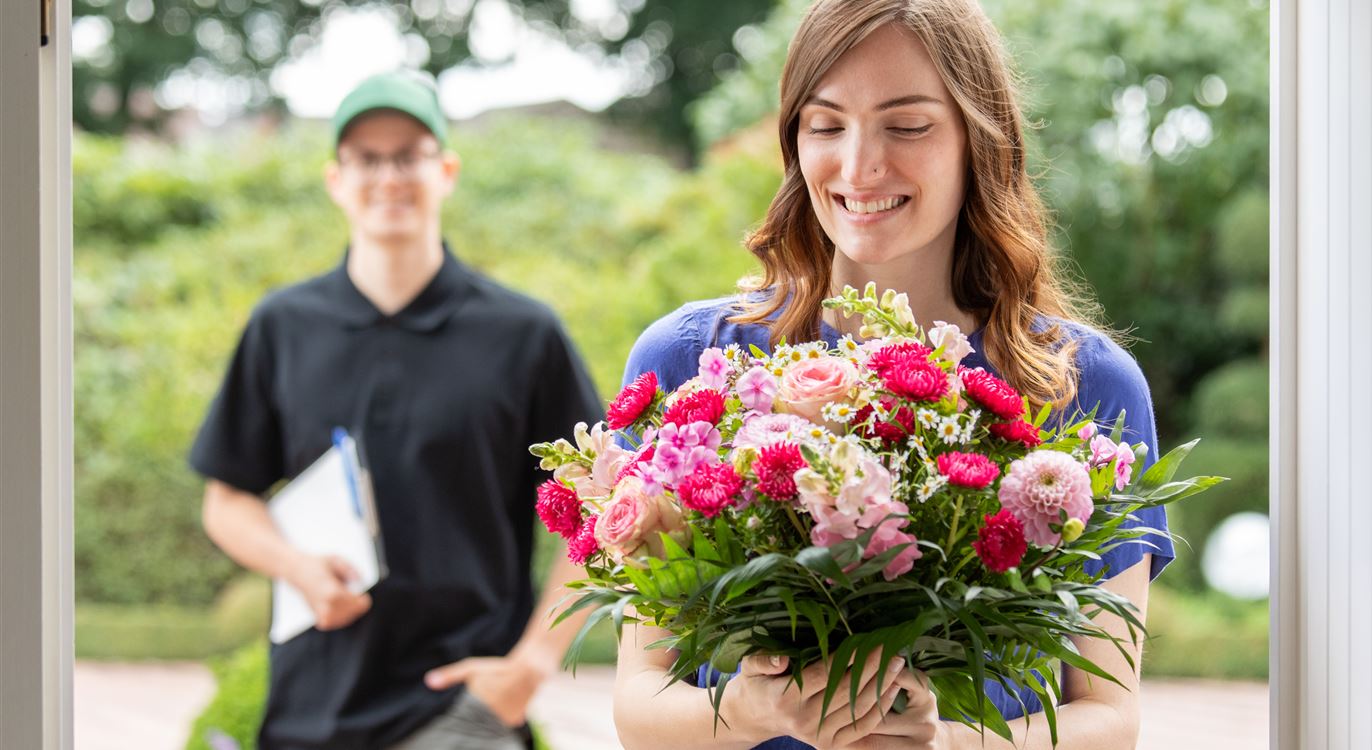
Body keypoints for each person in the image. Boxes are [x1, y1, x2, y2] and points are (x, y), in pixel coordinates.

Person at [611, 1, 1174, 748]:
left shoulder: (1084, 385)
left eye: (907, 125)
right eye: (825, 124)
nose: (859, 166)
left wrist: (944, 744)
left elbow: (1110, 713)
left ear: (981, 139)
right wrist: (757, 714)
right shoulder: (688, 363)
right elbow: (639, 703)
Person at [189, 71, 603, 750]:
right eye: (368, 159)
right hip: (309, 711)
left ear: (445, 170)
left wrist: (532, 664)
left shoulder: (522, 335)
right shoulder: (283, 326)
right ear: (335, 180)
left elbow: (600, 512)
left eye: (408, 156)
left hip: (463, 712)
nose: (389, 177)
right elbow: (225, 499)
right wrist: (296, 568)